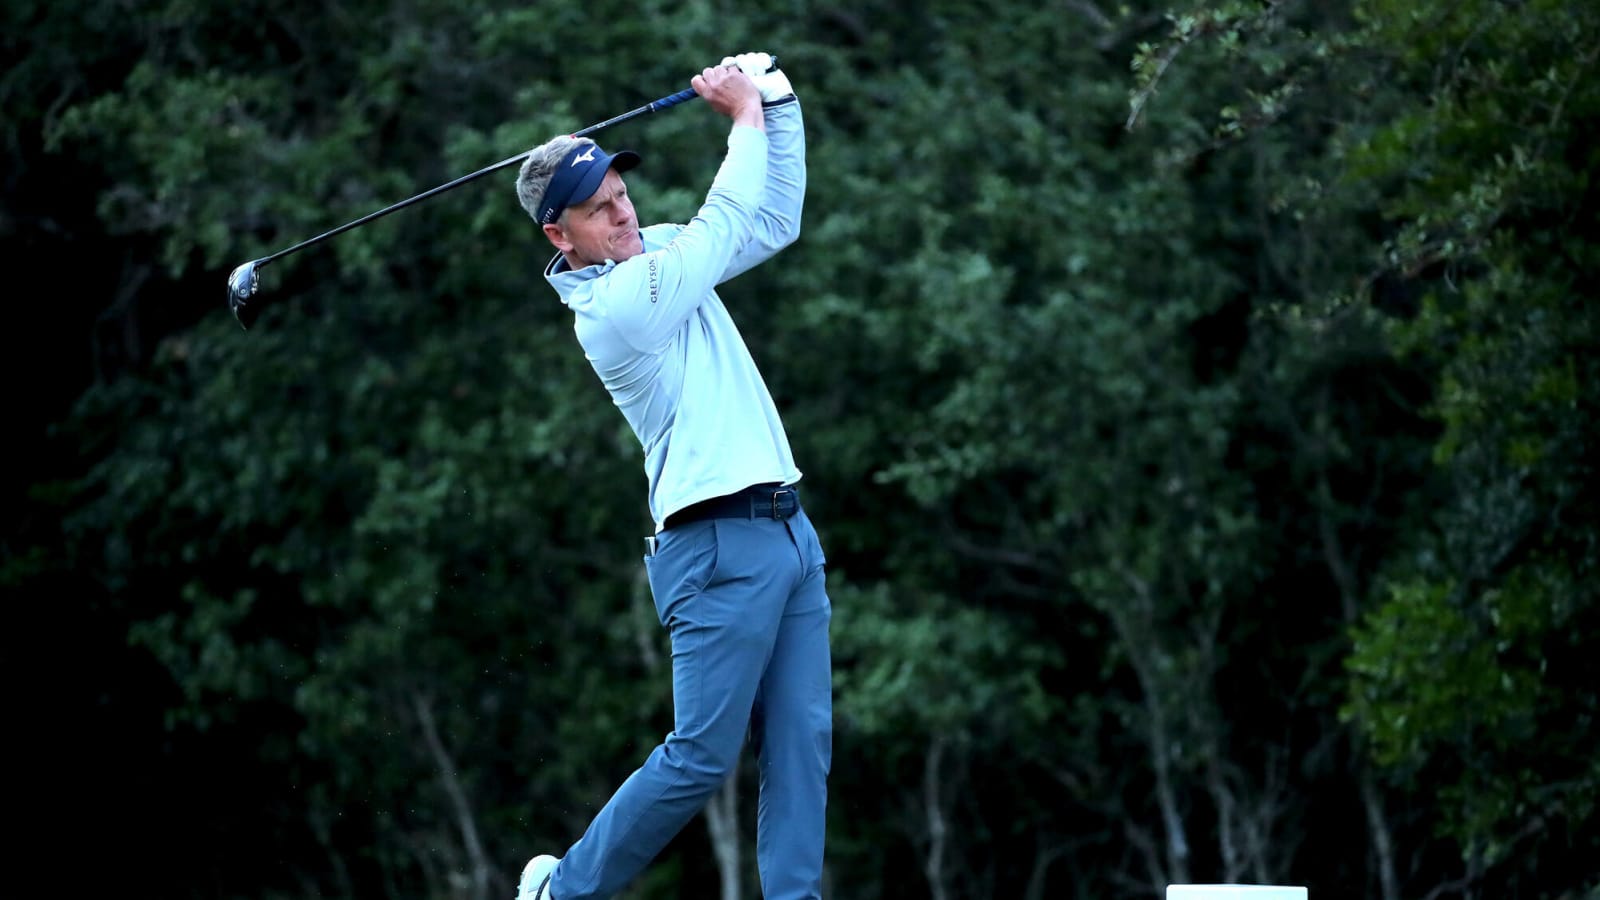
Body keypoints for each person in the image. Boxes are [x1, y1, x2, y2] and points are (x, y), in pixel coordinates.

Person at [511, 53, 832, 900]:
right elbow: (726, 221)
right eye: (598, 209)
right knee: (700, 756)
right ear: (559, 235)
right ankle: (564, 893)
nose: (622, 214)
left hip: (787, 532)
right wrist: (742, 119)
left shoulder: (652, 254)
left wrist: (778, 101)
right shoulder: (616, 310)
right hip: (715, 546)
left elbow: (769, 224)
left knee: (801, 744)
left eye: (622, 196)